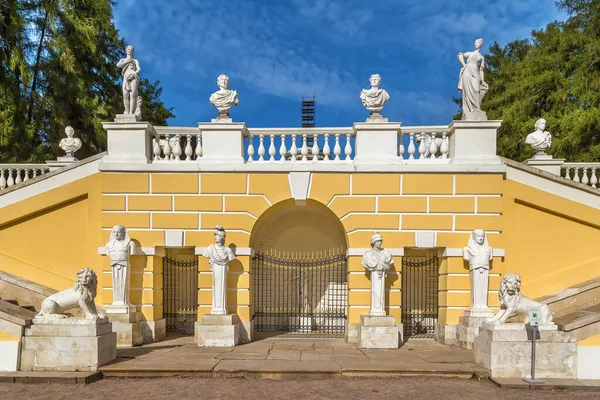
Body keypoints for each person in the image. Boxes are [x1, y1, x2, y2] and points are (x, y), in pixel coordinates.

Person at [202, 225, 235, 315]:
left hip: (222, 271)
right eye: (215, 236)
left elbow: (231, 257)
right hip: (215, 272)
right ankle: (216, 308)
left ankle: (221, 308)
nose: (215, 237)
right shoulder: (210, 248)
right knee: (215, 285)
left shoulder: (228, 250)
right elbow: (205, 255)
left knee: (222, 286)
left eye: (217, 236)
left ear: (222, 238)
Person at [361, 231, 394, 316]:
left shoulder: (386, 253)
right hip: (374, 276)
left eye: (380, 241)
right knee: (375, 293)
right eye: (378, 241)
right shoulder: (367, 255)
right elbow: (365, 263)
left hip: (382, 276)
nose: (380, 243)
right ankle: (376, 309)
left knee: (380, 293)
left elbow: (390, 262)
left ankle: (380, 309)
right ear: (373, 242)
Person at [463, 229, 493, 310]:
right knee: (475, 286)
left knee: (484, 286)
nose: (481, 238)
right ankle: (476, 305)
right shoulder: (467, 249)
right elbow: (466, 258)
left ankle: (483, 305)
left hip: (485, 268)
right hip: (475, 268)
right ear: (473, 237)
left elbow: (490, 258)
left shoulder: (489, 249)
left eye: (482, 236)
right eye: (478, 236)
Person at [105, 225, 134, 311]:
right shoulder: (108, 245)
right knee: (116, 283)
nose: (116, 234)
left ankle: (124, 302)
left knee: (124, 283)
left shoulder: (130, 244)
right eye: (115, 232)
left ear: (123, 233)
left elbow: (132, 252)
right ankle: (117, 302)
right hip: (114, 266)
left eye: (118, 232)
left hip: (125, 266)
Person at [457, 38, 488, 115]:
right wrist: (464, 65)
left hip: (476, 73)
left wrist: (483, 80)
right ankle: (470, 110)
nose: (476, 44)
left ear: (481, 44)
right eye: (475, 42)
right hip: (467, 72)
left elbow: (481, 70)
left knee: (477, 90)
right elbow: (460, 55)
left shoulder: (481, 57)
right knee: (468, 91)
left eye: (477, 42)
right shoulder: (470, 53)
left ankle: (477, 109)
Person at [117, 45, 141, 115]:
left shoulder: (135, 60)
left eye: (131, 50)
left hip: (133, 77)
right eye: (128, 49)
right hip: (125, 78)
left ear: (133, 51)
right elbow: (118, 65)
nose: (130, 51)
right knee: (125, 95)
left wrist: (133, 74)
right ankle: (127, 111)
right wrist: (127, 61)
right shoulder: (123, 60)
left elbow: (139, 69)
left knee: (133, 95)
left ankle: (131, 113)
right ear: (126, 50)